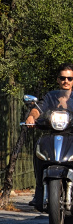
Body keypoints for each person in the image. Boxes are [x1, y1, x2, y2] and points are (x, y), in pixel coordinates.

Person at [24, 63, 73, 211]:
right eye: (62, 78)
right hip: (52, 134)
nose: (66, 81)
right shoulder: (50, 97)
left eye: (69, 78)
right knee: (40, 147)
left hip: (71, 135)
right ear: (58, 79)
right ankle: (39, 192)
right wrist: (32, 117)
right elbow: (38, 109)